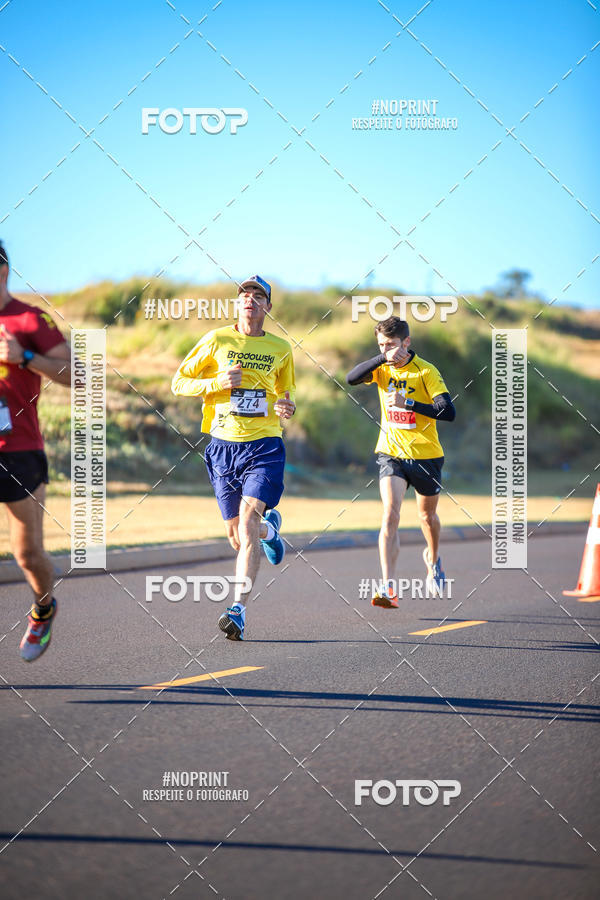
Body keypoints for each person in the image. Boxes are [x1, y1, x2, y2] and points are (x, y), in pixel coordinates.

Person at [172, 275, 296, 640]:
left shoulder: (281, 348)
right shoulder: (216, 339)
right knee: (238, 536)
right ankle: (270, 531)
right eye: (245, 294)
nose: (250, 299)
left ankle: (237, 609)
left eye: (259, 295)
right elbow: (179, 382)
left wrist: (287, 405)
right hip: (223, 446)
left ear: (268, 307)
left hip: (265, 444)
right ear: (237, 303)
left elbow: (285, 393)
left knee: (246, 521)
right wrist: (217, 383)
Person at [346, 316, 455, 608]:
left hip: (425, 455)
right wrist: (381, 358)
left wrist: (409, 404)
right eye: (381, 345)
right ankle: (389, 587)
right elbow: (351, 378)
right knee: (389, 515)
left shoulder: (426, 371)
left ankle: (433, 560)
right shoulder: (382, 367)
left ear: (406, 342)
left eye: (392, 344)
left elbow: (447, 411)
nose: (387, 350)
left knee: (426, 518)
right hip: (391, 453)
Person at [0, 242, 71, 659]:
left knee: (26, 553)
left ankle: (43, 609)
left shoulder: (30, 319)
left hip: (18, 449)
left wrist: (24, 356)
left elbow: (75, 373)